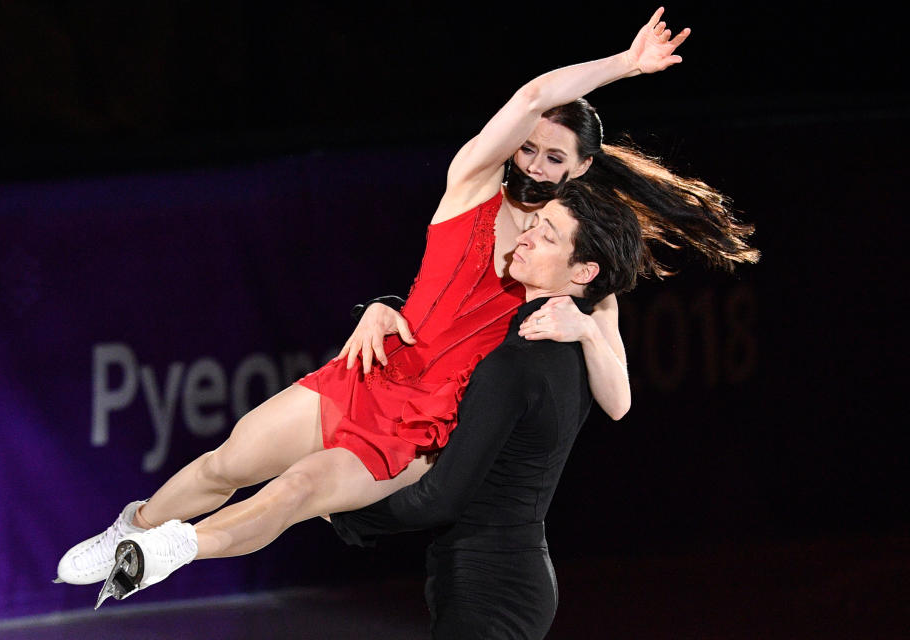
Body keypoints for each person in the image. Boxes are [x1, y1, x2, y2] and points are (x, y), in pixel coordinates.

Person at [56, 8, 751, 606]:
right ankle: (133, 527)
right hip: (371, 371)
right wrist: (623, 64)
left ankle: (169, 551)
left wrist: (587, 333)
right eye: (530, 149)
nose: (534, 165)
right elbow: (534, 92)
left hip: (424, 425)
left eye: (554, 158)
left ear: (582, 170)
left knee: (296, 493)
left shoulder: (573, 260)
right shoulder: (471, 186)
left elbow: (621, 400)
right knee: (225, 465)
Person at [330, 180, 645, 639]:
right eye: (533, 223)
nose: (525, 236)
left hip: (488, 587)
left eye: (548, 235)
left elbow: (439, 497)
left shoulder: (521, 362)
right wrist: (385, 307)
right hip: (509, 575)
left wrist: (341, 516)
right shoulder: (565, 347)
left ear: (583, 272)